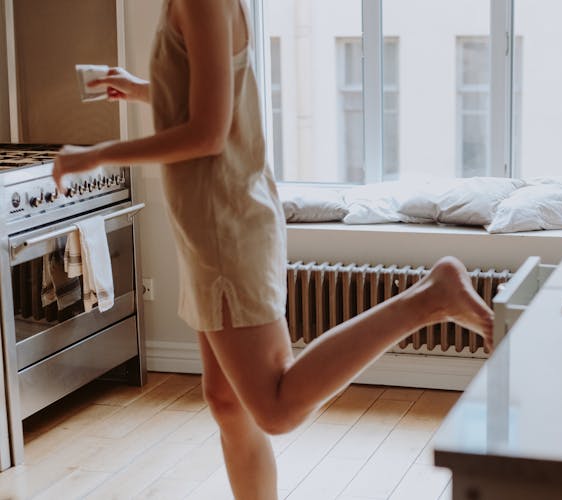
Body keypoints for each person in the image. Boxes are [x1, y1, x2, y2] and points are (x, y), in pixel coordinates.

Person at [52, 0, 494, 498]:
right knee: (226, 402)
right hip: (209, 225)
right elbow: (207, 94)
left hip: (226, 228)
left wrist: (98, 155)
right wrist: (141, 89)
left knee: (275, 409)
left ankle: (429, 297)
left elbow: (207, 133)